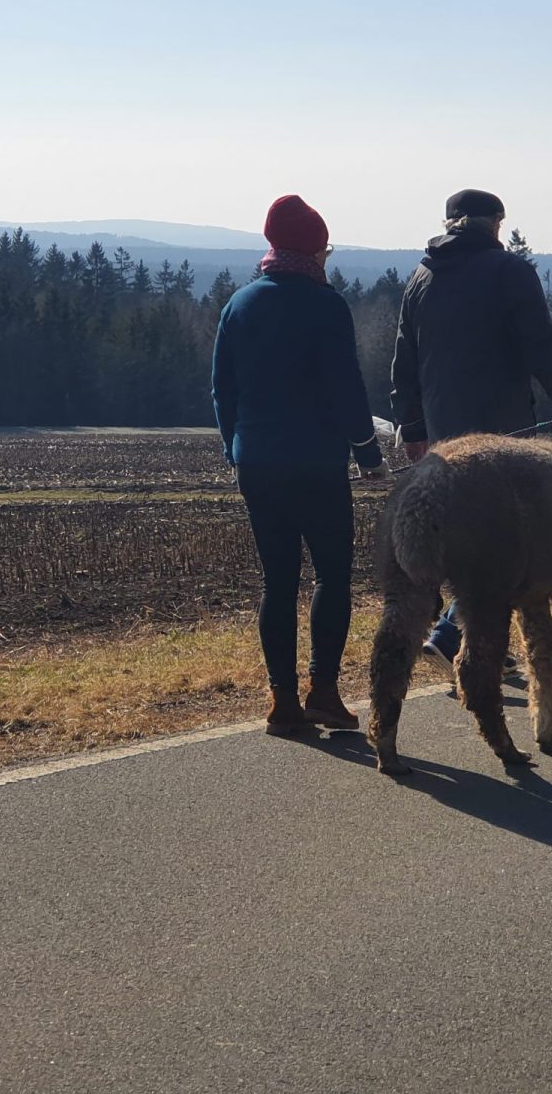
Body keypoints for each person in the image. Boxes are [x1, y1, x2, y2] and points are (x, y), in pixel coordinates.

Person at [212, 194, 385, 733]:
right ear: (314, 248)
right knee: (332, 576)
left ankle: (282, 703)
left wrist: (234, 450)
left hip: (257, 464)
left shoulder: (238, 304)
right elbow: (346, 389)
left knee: (277, 580)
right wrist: (368, 453)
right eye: (325, 248)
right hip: (316, 464)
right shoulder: (325, 304)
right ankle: (324, 693)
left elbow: (223, 390)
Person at [390, 188, 552, 674]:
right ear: (493, 223)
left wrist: (410, 424)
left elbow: (404, 357)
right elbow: (540, 343)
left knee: (465, 535)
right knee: (502, 540)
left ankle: (474, 638)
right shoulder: (512, 272)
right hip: (501, 431)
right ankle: (452, 633)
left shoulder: (421, 276)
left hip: (440, 431)